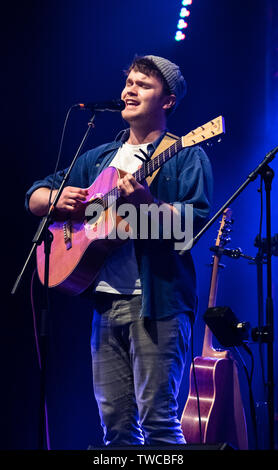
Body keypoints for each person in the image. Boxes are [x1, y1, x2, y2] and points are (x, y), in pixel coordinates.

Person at [25, 55, 213, 446]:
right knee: (116, 429)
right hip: (106, 303)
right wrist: (55, 202)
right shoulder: (100, 158)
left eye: (143, 85)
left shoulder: (186, 154)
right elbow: (35, 194)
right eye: (129, 83)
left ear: (168, 101)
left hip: (157, 302)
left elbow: (192, 226)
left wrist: (146, 203)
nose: (130, 90)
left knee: (159, 422)